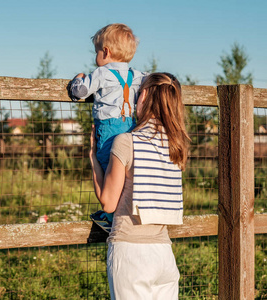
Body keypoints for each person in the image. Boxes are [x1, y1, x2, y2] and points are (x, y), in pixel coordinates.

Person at [89, 72, 190, 299]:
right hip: (164, 254)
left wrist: (94, 160)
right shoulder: (176, 146)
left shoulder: (126, 141)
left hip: (131, 253)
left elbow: (108, 202)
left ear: (143, 95)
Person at [67, 23, 147, 226]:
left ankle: (112, 217)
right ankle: (122, 211)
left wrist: (79, 78)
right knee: (126, 170)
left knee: (106, 166)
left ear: (106, 51)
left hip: (109, 129)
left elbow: (80, 92)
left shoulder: (101, 73)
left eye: (96, 51)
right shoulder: (137, 76)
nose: (96, 56)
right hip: (131, 127)